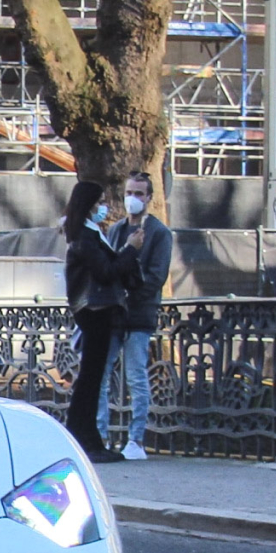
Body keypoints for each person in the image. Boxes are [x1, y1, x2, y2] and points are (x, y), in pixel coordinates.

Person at [62, 179, 134, 462]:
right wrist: (130, 249)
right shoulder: (84, 236)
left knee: (90, 378)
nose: (104, 207)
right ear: (90, 205)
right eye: (100, 202)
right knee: (90, 379)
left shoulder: (87, 233)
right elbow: (105, 271)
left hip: (96, 310)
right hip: (95, 310)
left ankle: (86, 437)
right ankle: (86, 440)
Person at [111, 170, 173, 462]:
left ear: (149, 197)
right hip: (113, 313)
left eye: (139, 194)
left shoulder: (159, 233)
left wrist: (128, 290)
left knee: (136, 375)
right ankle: (100, 435)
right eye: (129, 193)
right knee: (101, 375)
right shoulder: (116, 230)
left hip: (138, 315)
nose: (132, 199)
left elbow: (156, 277)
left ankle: (135, 439)